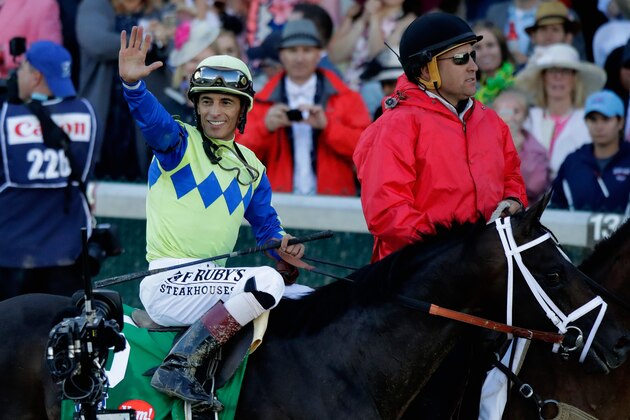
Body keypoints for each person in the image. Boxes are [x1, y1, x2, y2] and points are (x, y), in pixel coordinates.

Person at [118, 25, 305, 408]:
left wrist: (284, 248)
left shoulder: (251, 166)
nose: (215, 112)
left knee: (300, 295)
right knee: (267, 283)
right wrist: (135, 89)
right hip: (168, 283)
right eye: (206, 102)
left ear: (242, 110)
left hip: (207, 284)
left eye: (226, 102)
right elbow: (154, 123)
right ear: (196, 106)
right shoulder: (179, 144)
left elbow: (267, 228)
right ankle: (180, 367)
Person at [353, 12, 528, 263]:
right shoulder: (393, 127)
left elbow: (511, 177)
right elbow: (388, 214)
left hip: (483, 270)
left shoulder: (492, 121)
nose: (474, 67)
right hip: (417, 277)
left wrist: (513, 201)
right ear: (425, 69)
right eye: (460, 58)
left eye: (473, 55)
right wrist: (455, 250)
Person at [0, 41, 97, 300]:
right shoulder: (86, 112)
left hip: (11, 255)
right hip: (68, 251)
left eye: (21, 68)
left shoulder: (5, 114)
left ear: (35, 76)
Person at [238, 19, 371, 196]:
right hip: (277, 203)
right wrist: (265, 127)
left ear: (318, 54)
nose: (299, 58)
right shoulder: (260, 101)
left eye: (307, 51)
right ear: (282, 55)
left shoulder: (348, 98)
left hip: (334, 202)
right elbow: (237, 157)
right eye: (293, 51)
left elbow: (368, 152)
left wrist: (328, 127)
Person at [514, 43, 607, 179]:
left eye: (565, 71)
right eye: (552, 71)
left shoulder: (588, 119)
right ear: (543, 78)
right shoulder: (528, 119)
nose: (558, 77)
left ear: (575, 79)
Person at [551, 89, 630, 213]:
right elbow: (555, 208)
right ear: (586, 122)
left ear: (621, 122)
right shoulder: (572, 162)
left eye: (606, 119)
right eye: (593, 119)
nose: (599, 126)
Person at [493, 87, 550, 204]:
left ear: (525, 117)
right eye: (502, 111)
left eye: (516, 111)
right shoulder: (481, 142)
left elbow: (535, 186)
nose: (510, 117)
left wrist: (516, 153)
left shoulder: (534, 149)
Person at [472, 20, 516, 105]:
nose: (485, 53)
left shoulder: (519, 81)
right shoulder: (468, 92)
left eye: (490, 45)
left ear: (502, 49)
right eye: (478, 47)